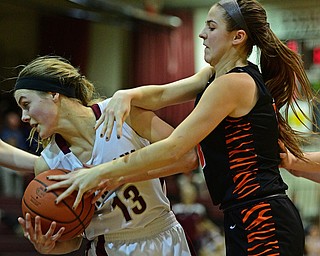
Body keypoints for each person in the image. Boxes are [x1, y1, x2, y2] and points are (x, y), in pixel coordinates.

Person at [46, 0, 316, 255]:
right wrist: (123, 95)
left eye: (211, 27)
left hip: (262, 216)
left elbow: (175, 147)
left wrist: (97, 173)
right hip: (245, 214)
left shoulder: (233, 84)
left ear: (238, 37)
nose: (201, 34)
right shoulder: (214, 76)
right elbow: (161, 95)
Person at [13, 55, 198, 255]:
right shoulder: (49, 164)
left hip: (164, 236)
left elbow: (189, 157)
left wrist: (113, 175)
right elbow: (74, 239)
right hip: (108, 248)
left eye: (26, 104)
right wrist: (49, 246)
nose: (23, 117)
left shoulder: (121, 112)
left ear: (53, 94)